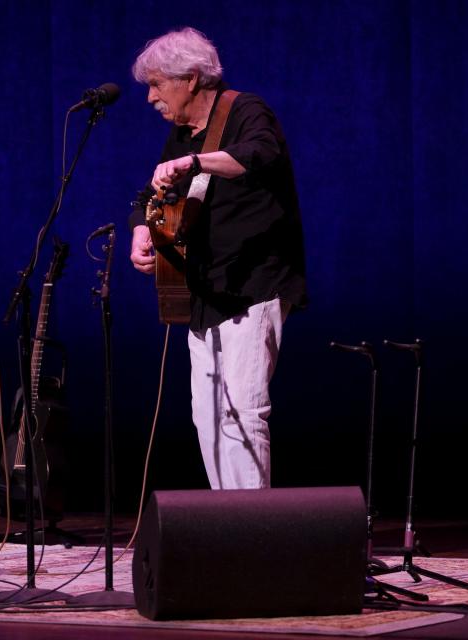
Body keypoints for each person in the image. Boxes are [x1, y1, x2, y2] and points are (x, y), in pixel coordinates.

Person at [128, 28, 307, 490]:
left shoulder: (246, 111)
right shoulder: (181, 133)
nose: (149, 97)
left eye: (156, 84)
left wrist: (196, 163)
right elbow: (150, 194)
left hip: (251, 285)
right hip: (203, 293)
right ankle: (228, 528)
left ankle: (255, 537)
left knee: (242, 413)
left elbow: (259, 156)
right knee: (205, 414)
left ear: (190, 78)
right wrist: (140, 233)